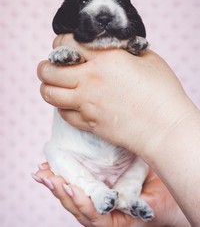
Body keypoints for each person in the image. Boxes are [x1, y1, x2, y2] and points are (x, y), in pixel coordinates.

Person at [33, 34, 200, 227]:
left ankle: (127, 194)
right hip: (79, 158)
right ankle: (94, 190)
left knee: (143, 155)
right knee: (55, 153)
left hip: (126, 160)